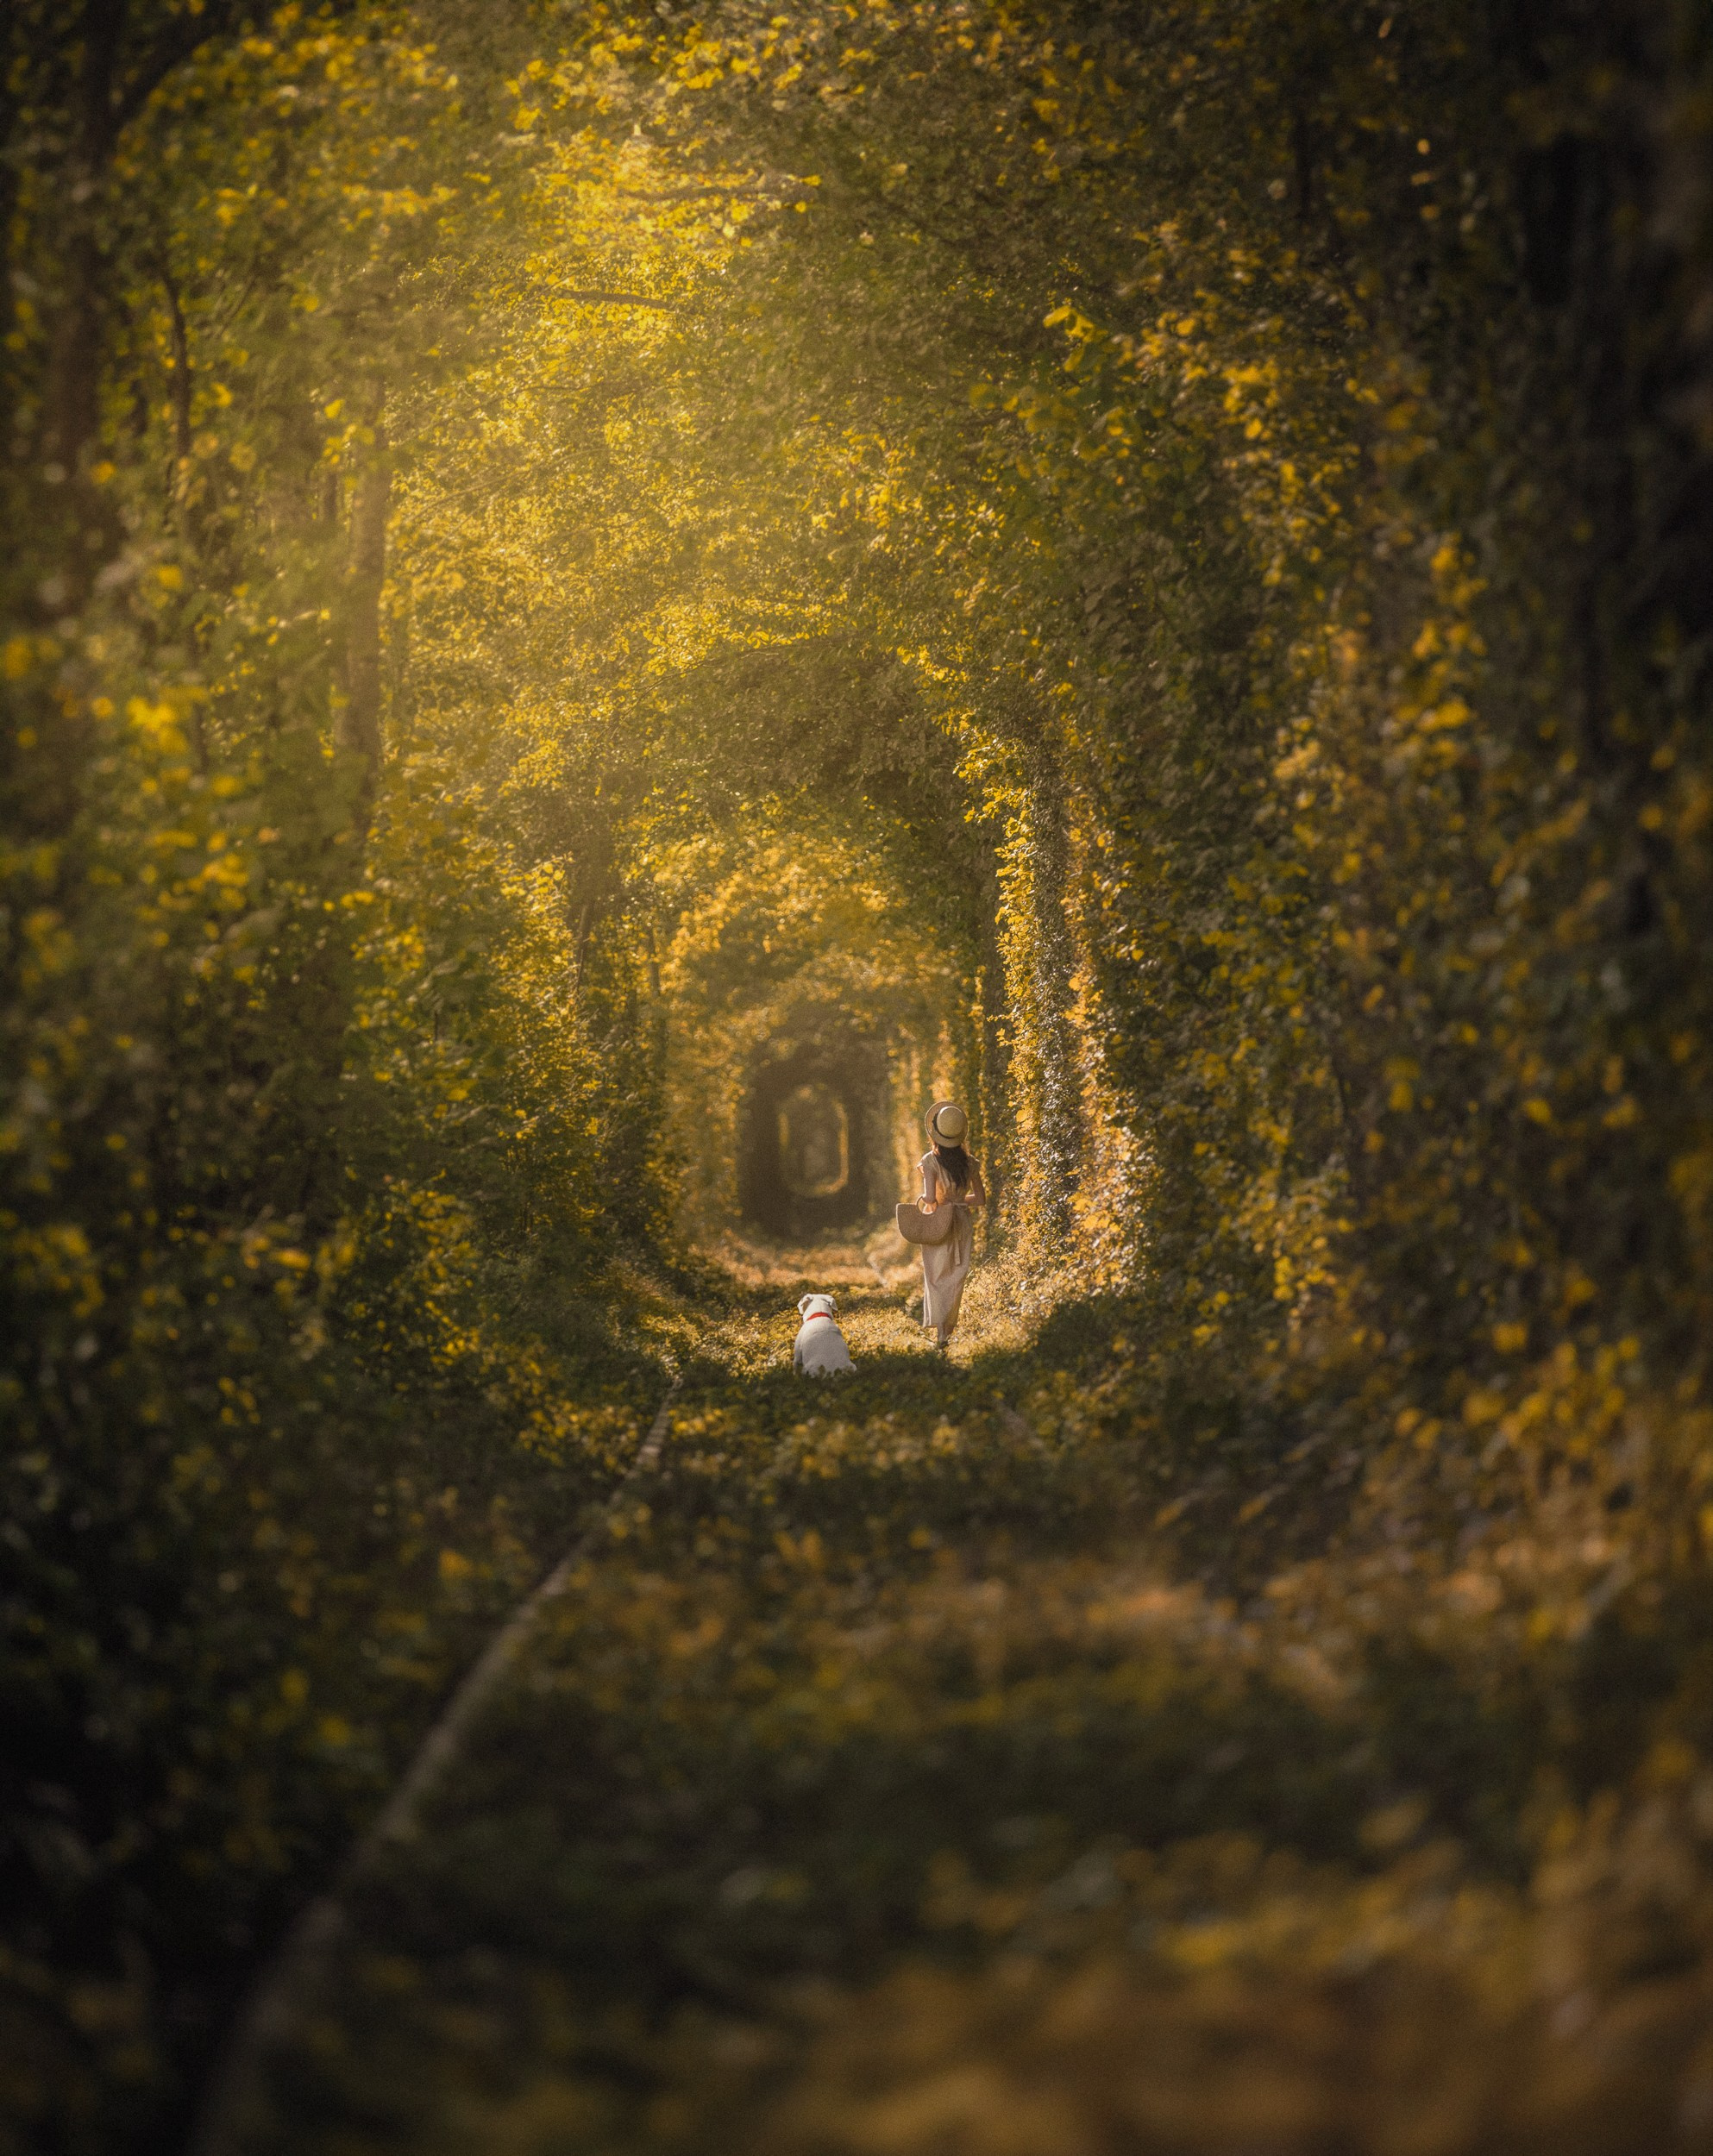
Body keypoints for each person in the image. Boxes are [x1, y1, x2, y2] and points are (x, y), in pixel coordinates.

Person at [916, 1100, 986, 1351]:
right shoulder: (970, 1163)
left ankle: (940, 1334)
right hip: (961, 1223)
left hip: (937, 1222)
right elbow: (980, 1199)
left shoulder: (929, 1161)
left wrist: (933, 1195)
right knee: (957, 1276)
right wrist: (958, 1201)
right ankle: (947, 1333)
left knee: (936, 1276)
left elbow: (931, 1199)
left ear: (935, 1131)